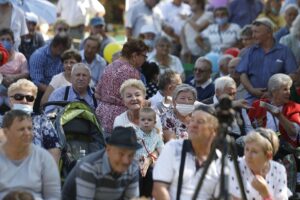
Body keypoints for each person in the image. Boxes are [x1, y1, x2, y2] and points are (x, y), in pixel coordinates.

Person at [152, 105, 220, 199]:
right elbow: (159, 189)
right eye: (192, 120)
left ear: (214, 131)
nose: (193, 125)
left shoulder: (220, 159)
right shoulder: (172, 148)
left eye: (200, 122)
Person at [62, 126, 141, 200]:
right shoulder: (89, 167)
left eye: (131, 155)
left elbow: (132, 198)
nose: (126, 161)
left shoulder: (133, 167)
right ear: (108, 150)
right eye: (121, 154)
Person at [0, 110, 61, 199]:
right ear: (6, 132)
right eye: (21, 129)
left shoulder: (44, 158)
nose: (27, 133)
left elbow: (53, 196)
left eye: (30, 128)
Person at [236, 18, 298, 105]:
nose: (253, 36)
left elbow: (294, 75)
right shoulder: (250, 52)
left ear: (269, 33)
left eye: (256, 32)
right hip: (253, 100)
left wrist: (274, 90)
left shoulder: (284, 51)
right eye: (252, 32)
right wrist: (252, 90)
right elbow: (242, 74)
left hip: (278, 100)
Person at [95, 39, 148, 135]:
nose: (145, 60)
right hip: (120, 120)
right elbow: (135, 101)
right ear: (135, 55)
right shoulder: (131, 71)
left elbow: (97, 94)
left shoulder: (109, 66)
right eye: (144, 56)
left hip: (102, 116)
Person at [2, 79, 61, 164]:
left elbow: (54, 148)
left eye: (29, 98)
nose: (24, 101)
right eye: (19, 97)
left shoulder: (42, 121)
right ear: (10, 100)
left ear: (33, 102)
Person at [229, 128, 292, 199]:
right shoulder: (236, 166)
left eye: (254, 151)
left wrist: (264, 192)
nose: (248, 155)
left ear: (268, 156)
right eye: (247, 149)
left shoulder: (278, 170)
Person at [247, 73, 300, 147]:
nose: (289, 92)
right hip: (261, 146)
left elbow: (294, 133)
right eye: (285, 89)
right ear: (274, 91)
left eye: (289, 89)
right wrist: (255, 125)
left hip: (284, 152)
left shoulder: (294, 107)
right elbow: (247, 128)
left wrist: (279, 116)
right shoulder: (258, 105)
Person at [29, 32, 72, 112]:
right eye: (64, 49)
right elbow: (37, 82)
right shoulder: (39, 56)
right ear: (59, 46)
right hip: (42, 91)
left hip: (61, 88)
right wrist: (55, 92)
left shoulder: (63, 55)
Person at [135, 107, 164, 197]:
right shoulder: (134, 133)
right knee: (137, 177)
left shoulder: (156, 135)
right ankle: (137, 196)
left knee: (152, 175)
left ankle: (146, 196)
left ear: (154, 123)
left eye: (149, 120)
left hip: (150, 163)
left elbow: (161, 148)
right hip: (136, 162)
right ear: (138, 121)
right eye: (143, 119)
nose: (146, 122)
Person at [0, 28, 29, 108]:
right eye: (2, 39)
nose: (5, 42)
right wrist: (2, 79)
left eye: (8, 39)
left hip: (14, 92)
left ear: (13, 42)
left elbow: (26, 73)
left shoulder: (20, 57)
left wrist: (13, 77)